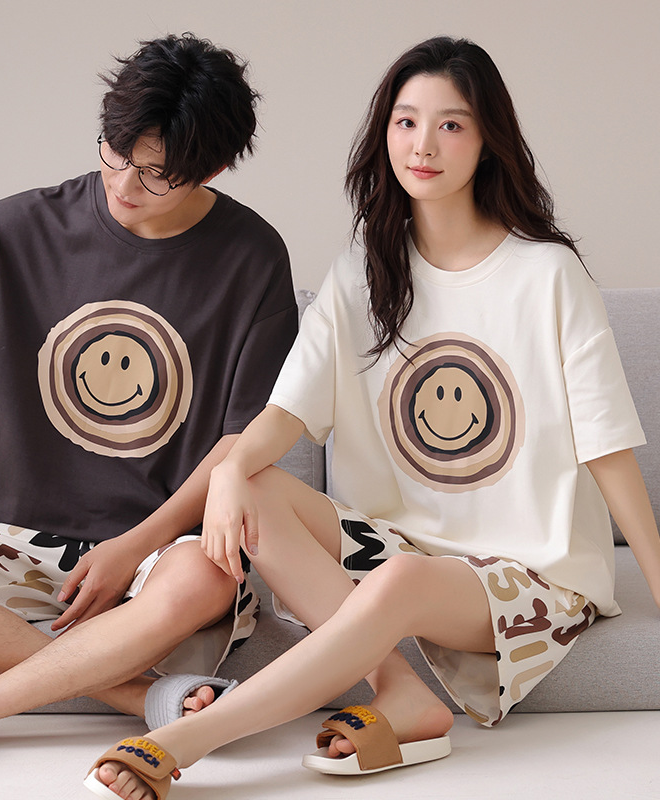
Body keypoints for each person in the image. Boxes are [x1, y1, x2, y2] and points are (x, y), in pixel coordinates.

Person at [79, 35, 660, 800]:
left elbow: (608, 447)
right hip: (404, 549)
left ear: (489, 141)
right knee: (257, 485)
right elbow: (285, 413)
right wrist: (228, 477)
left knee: (404, 579)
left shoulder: (547, 275)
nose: (423, 145)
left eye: (451, 125)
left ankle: (184, 741)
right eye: (406, 121)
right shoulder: (362, 271)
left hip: (529, 572)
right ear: (385, 132)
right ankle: (402, 695)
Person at [0, 33, 297, 770]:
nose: (125, 184)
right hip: (7, 535)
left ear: (213, 169)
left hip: (158, 549)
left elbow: (241, 442)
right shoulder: (17, 228)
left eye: (158, 174)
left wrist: (134, 547)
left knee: (209, 574)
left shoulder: (252, 257)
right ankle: (133, 696)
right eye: (116, 153)